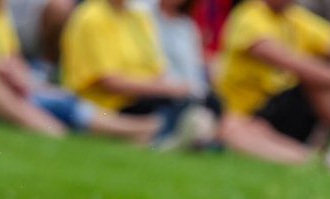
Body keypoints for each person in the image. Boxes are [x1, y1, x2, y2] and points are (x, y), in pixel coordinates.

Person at [0, 0, 161, 142]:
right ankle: (46, 127)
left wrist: (21, 77)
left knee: (54, 96)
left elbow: (11, 55)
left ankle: (137, 130)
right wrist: (1, 68)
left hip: (0, 83)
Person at [214, 0, 330, 167]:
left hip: (293, 110)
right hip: (255, 111)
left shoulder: (297, 18)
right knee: (323, 77)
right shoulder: (249, 17)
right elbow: (298, 67)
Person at [59, 0, 216, 150]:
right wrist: (167, 89)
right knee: (183, 108)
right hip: (108, 105)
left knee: (204, 102)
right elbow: (108, 81)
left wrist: (173, 89)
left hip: (143, 97)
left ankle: (174, 134)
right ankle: (164, 135)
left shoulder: (138, 16)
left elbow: (157, 69)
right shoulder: (92, 17)